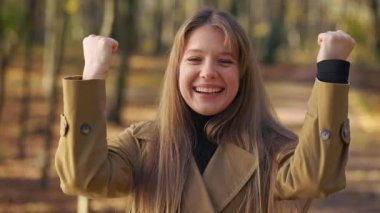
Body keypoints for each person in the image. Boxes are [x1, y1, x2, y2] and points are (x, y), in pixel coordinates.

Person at [55, 8, 355, 213]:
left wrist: (331, 70)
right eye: (195, 60)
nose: (208, 72)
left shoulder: (273, 150)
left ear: (243, 74)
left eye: (225, 61)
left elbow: (318, 176)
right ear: (176, 71)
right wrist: (93, 73)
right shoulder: (143, 145)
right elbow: (84, 178)